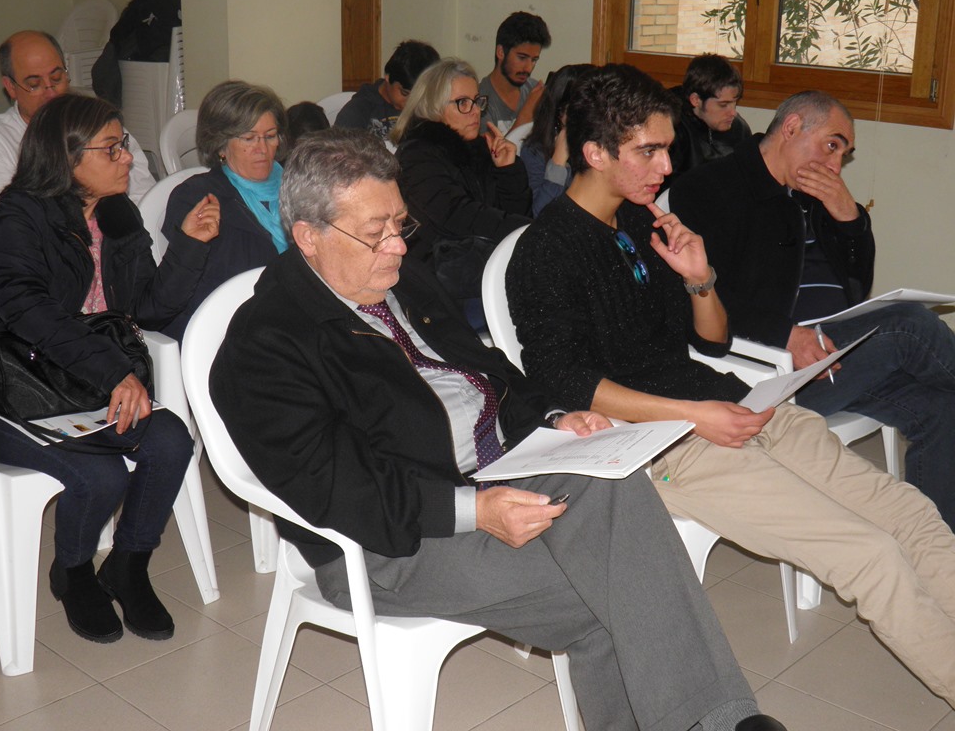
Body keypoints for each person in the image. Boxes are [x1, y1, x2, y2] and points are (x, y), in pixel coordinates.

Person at [210, 128, 786, 731]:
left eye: (400, 224)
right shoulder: (266, 344)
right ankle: (724, 721)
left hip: (498, 468)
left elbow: (490, 370)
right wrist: (474, 511)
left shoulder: (399, 279)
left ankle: (722, 720)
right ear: (309, 237)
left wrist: (553, 418)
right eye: (375, 231)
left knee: (616, 486)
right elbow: (338, 489)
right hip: (391, 538)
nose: (399, 246)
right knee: (618, 592)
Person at [506, 64, 955, 709]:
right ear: (596, 153)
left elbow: (712, 341)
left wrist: (698, 276)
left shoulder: (639, 224)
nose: (666, 168)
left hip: (737, 405)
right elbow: (565, 380)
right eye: (649, 152)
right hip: (665, 444)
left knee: (910, 514)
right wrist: (694, 416)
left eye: (668, 149)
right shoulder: (546, 249)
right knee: (869, 553)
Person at [0, 94, 219, 644]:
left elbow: (147, 309)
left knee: (171, 442)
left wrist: (188, 247)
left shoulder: (117, 214)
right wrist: (114, 373)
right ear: (66, 157)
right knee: (102, 476)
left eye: (123, 144)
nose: (127, 157)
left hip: (86, 386)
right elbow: (30, 315)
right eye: (111, 148)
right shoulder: (18, 219)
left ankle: (128, 566)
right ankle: (74, 571)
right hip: (12, 389)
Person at [667, 90, 955, 527]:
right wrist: (786, 335)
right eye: (832, 145)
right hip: (772, 372)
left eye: (844, 154)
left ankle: (937, 546)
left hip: (838, 356)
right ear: (792, 127)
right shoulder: (709, 187)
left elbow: (858, 282)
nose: (836, 165)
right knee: (909, 325)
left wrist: (849, 218)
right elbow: (702, 296)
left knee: (941, 407)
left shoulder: (813, 193)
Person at [393, 58, 530, 329]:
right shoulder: (417, 156)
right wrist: (533, 231)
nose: (475, 111)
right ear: (433, 108)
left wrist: (508, 170)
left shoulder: (476, 150)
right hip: (438, 286)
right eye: (462, 103)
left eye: (477, 101)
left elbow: (513, 214)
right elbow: (459, 217)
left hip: (480, 269)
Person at [159, 80, 288, 342]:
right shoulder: (197, 199)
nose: (262, 149)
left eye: (270, 136)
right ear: (220, 145)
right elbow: (194, 291)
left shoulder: (300, 187)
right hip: (235, 329)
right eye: (249, 138)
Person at [0, 31, 155, 203]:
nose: (50, 92)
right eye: (34, 84)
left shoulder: (98, 123)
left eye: (56, 78)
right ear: (10, 87)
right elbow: (2, 212)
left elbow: (144, 194)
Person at [665, 54, 751, 188]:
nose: (733, 112)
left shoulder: (739, 128)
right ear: (696, 100)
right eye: (723, 105)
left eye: (734, 103)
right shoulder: (671, 129)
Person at [520, 63, 593, 216]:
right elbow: (539, 214)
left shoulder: (601, 143)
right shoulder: (535, 151)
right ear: (561, 112)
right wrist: (558, 162)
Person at [335, 40, 440, 142]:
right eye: (404, 93)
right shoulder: (357, 111)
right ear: (388, 77)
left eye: (420, 96)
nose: (410, 102)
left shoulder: (431, 111)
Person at [479, 12, 551, 134]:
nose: (528, 68)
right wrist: (527, 113)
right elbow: (493, 147)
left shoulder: (535, 90)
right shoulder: (480, 100)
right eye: (522, 58)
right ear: (501, 52)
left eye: (534, 60)